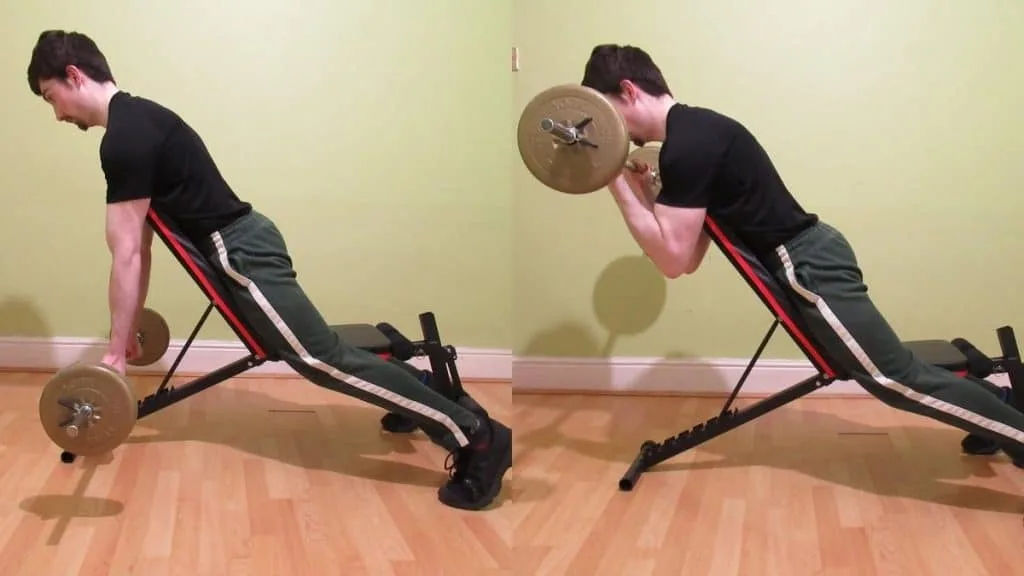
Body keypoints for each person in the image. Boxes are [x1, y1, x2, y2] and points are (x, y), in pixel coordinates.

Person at [26, 29, 512, 510]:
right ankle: (419, 391)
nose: (58, 114)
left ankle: (479, 438)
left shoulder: (124, 140)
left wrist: (115, 354)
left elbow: (128, 253)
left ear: (74, 76)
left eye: (52, 98)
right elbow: (140, 248)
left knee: (319, 359)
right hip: (246, 244)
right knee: (314, 350)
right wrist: (123, 333)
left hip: (242, 255)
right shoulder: (140, 118)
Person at [580, 43, 1024, 468]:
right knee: (888, 368)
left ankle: (1012, 425)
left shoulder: (687, 147)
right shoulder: (696, 132)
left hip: (807, 265)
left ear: (629, 91)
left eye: (607, 113)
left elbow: (672, 262)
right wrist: (643, 190)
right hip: (811, 256)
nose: (611, 130)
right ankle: (1000, 409)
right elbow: (688, 255)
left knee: (893, 379)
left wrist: (612, 182)